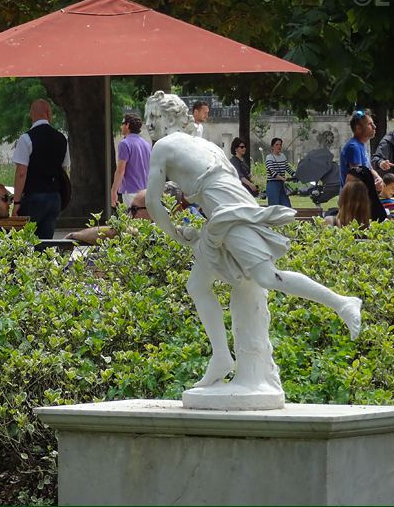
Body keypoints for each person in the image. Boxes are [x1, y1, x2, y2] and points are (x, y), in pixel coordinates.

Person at [144, 91, 362, 395]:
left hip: (227, 211)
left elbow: (153, 203)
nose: (147, 126)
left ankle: (343, 303)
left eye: (151, 118)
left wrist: (176, 235)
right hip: (224, 212)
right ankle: (222, 357)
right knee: (197, 285)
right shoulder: (205, 145)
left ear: (167, 119)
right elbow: (226, 178)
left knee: (265, 276)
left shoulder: (165, 146)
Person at [12, 99, 70, 238]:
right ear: (49, 114)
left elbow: (21, 172)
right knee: (45, 243)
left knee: (22, 241)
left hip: (33, 197)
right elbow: (64, 170)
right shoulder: (62, 138)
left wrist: (16, 201)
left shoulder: (26, 138)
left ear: (31, 115)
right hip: (54, 197)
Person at [110, 113, 152, 208]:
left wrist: (113, 191)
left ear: (127, 125)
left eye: (122, 123)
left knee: (131, 221)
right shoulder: (147, 144)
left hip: (130, 191)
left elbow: (121, 170)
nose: (121, 126)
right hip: (146, 191)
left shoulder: (124, 144)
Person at [340, 110, 383, 191]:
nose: (374, 127)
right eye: (370, 124)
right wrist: (373, 185)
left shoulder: (361, 145)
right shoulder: (353, 147)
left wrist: (378, 178)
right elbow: (357, 177)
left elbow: (369, 169)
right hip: (354, 200)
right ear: (358, 128)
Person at [265, 137, 295, 207]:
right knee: (274, 207)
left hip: (282, 185)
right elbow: (272, 172)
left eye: (280, 145)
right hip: (273, 184)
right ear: (272, 147)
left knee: (287, 206)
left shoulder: (283, 156)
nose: (279, 146)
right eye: (277, 145)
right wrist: (282, 178)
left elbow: (287, 168)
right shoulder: (269, 157)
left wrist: (295, 174)